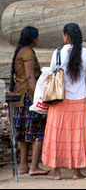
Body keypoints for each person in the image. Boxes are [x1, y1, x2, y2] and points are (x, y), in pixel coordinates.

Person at [42, 23, 86, 180]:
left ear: (66, 36)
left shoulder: (58, 53)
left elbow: (52, 72)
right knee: (77, 136)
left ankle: (57, 173)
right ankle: (76, 172)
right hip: (79, 100)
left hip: (59, 100)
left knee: (57, 134)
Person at [9, 26, 49, 176]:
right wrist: (40, 98)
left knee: (23, 132)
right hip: (28, 97)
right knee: (38, 130)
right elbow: (30, 77)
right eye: (37, 37)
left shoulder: (20, 51)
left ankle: (24, 166)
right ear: (33, 39)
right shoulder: (28, 52)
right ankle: (34, 166)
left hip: (19, 96)